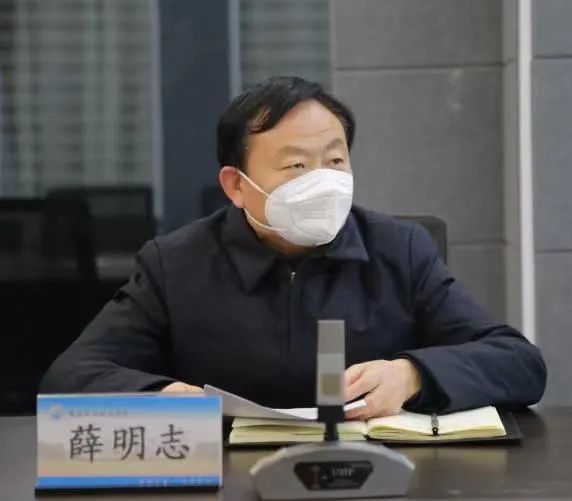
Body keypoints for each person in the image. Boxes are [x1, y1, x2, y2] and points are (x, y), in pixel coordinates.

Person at [41, 76, 546, 420]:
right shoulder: (176, 263)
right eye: (296, 166)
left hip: (373, 479)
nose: (323, 182)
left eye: (335, 161)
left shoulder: (400, 250)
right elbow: (71, 375)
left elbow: (518, 363)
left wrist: (413, 375)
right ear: (236, 186)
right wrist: (161, 395)